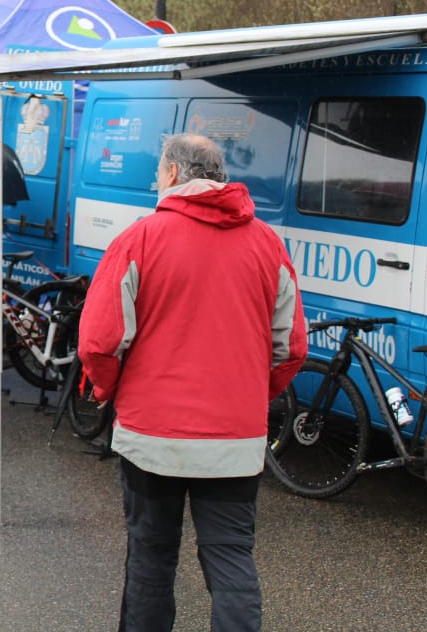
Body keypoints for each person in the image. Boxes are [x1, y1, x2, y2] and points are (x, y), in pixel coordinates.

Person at [76, 133, 308, 632]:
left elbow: (99, 341)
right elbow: (291, 348)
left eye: (158, 172)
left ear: (175, 175)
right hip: (234, 438)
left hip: (152, 435)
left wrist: (107, 389)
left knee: (151, 559)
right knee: (231, 560)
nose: (156, 181)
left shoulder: (140, 239)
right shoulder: (268, 244)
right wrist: (251, 394)